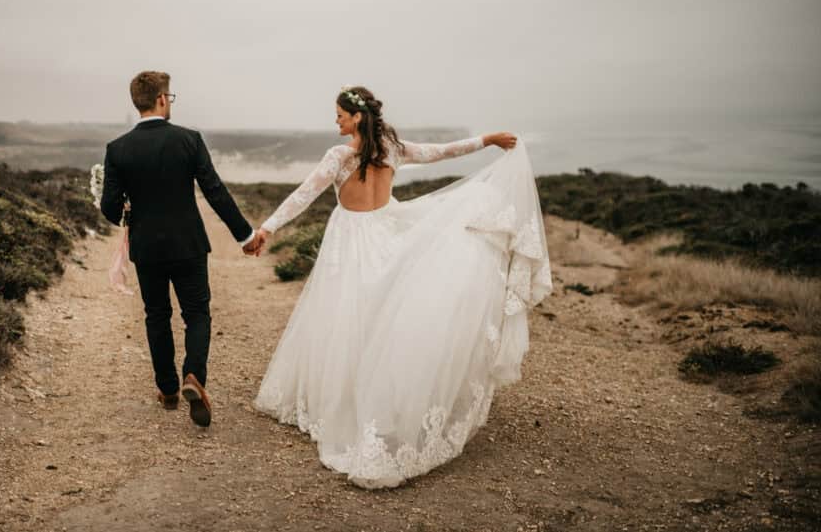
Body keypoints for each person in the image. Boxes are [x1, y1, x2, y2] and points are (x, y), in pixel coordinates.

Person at [250, 85, 552, 488]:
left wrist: (267, 228)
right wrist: (488, 141)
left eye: (339, 114)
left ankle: (351, 403)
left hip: (353, 241)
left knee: (345, 318)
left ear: (356, 117)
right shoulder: (391, 148)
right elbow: (443, 151)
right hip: (387, 233)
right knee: (379, 316)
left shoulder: (340, 156)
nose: (335, 120)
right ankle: (371, 393)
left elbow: (305, 195)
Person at [100, 70, 263, 427]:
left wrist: (128, 206)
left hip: (146, 247)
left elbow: (110, 209)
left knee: (156, 315)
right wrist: (245, 236)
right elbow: (215, 191)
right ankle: (194, 377)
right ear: (161, 99)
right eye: (169, 97)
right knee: (197, 314)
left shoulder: (118, 149)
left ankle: (168, 389)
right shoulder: (188, 140)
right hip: (188, 243)